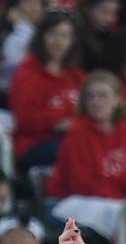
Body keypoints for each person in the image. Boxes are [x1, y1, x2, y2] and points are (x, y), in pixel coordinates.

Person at [47, 72, 126, 240]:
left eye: (103, 96)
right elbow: (82, 184)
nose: (96, 102)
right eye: (90, 97)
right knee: (123, 217)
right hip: (74, 201)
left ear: (117, 100)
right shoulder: (77, 133)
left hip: (116, 201)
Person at [8, 10, 84, 164]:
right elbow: (26, 120)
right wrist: (59, 123)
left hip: (71, 139)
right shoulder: (27, 73)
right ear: (41, 37)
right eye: (53, 34)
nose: (59, 42)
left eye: (65, 36)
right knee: (76, 149)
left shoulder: (75, 74)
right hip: (35, 145)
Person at [1, 0, 48, 93]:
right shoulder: (5, 34)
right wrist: (21, 27)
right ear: (14, 5)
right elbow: (18, 61)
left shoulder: (46, 31)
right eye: (28, 1)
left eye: (39, 2)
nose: (36, 7)